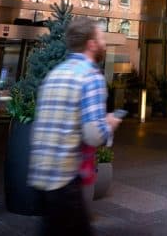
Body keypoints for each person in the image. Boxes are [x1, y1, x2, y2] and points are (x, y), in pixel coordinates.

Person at [30, 17, 121, 235]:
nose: (104, 43)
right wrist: (109, 124)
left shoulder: (55, 74)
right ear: (91, 44)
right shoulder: (91, 77)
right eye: (101, 38)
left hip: (40, 175)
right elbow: (93, 136)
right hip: (65, 179)